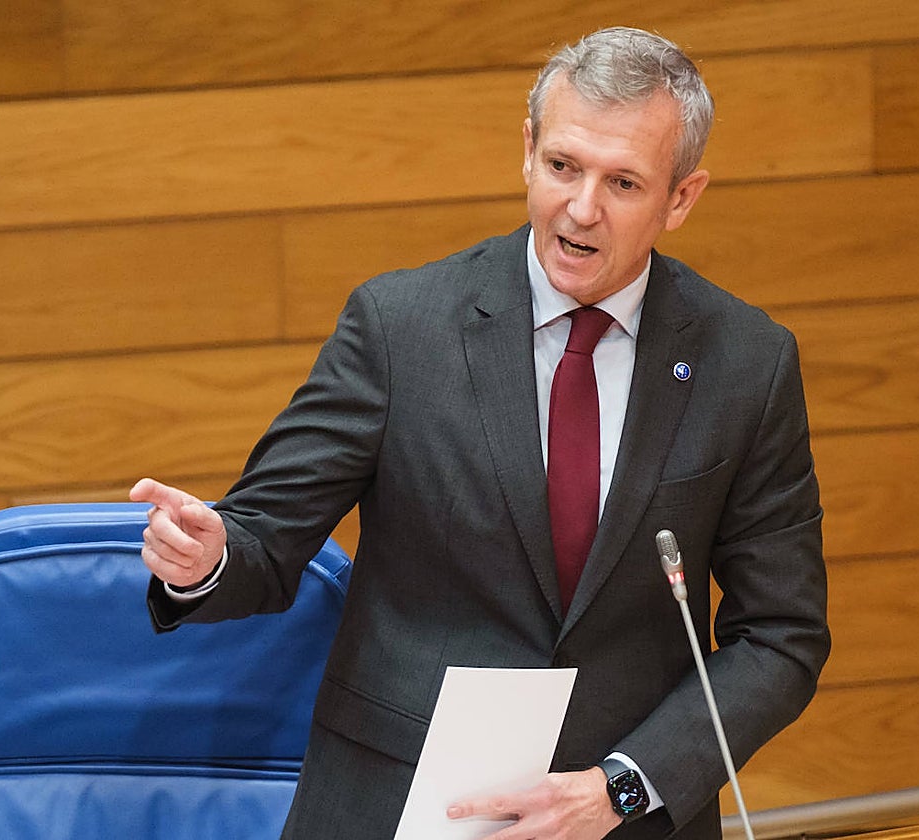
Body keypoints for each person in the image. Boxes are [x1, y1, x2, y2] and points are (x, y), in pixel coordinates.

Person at [133, 26, 829, 840]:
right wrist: (209, 557)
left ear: (680, 198)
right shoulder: (401, 328)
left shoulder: (746, 363)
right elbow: (264, 538)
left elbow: (779, 637)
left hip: (619, 819)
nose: (581, 207)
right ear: (528, 150)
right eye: (564, 166)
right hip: (392, 802)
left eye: (624, 183)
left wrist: (621, 789)